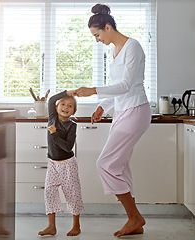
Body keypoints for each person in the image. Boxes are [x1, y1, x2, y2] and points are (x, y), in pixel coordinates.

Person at [73, 3, 151, 238]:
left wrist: (93, 91)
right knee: (120, 165)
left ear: (108, 27)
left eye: (97, 34)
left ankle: (135, 216)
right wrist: (102, 106)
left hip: (136, 110)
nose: (97, 40)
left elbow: (127, 86)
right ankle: (134, 221)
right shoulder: (113, 51)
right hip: (122, 111)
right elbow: (117, 90)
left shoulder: (132, 47)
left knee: (105, 164)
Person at [38, 90, 85, 237]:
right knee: (49, 192)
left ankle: (76, 225)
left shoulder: (72, 126)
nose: (66, 107)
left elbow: (67, 146)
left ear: (74, 111)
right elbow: (52, 99)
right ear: (57, 107)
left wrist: (55, 134)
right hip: (53, 163)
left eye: (70, 106)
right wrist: (67, 92)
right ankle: (51, 226)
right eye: (63, 104)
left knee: (72, 194)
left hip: (67, 164)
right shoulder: (52, 118)